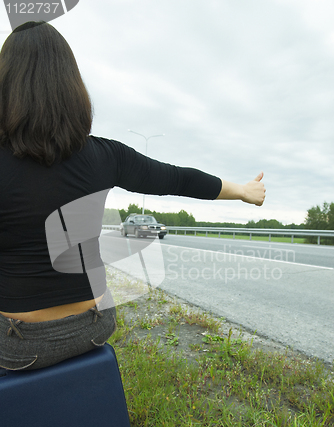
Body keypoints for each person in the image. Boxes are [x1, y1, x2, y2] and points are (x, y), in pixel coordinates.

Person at [0, 21, 265, 371]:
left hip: (19, 346)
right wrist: (242, 191)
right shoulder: (106, 156)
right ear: (71, 87)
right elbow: (178, 178)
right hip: (93, 327)